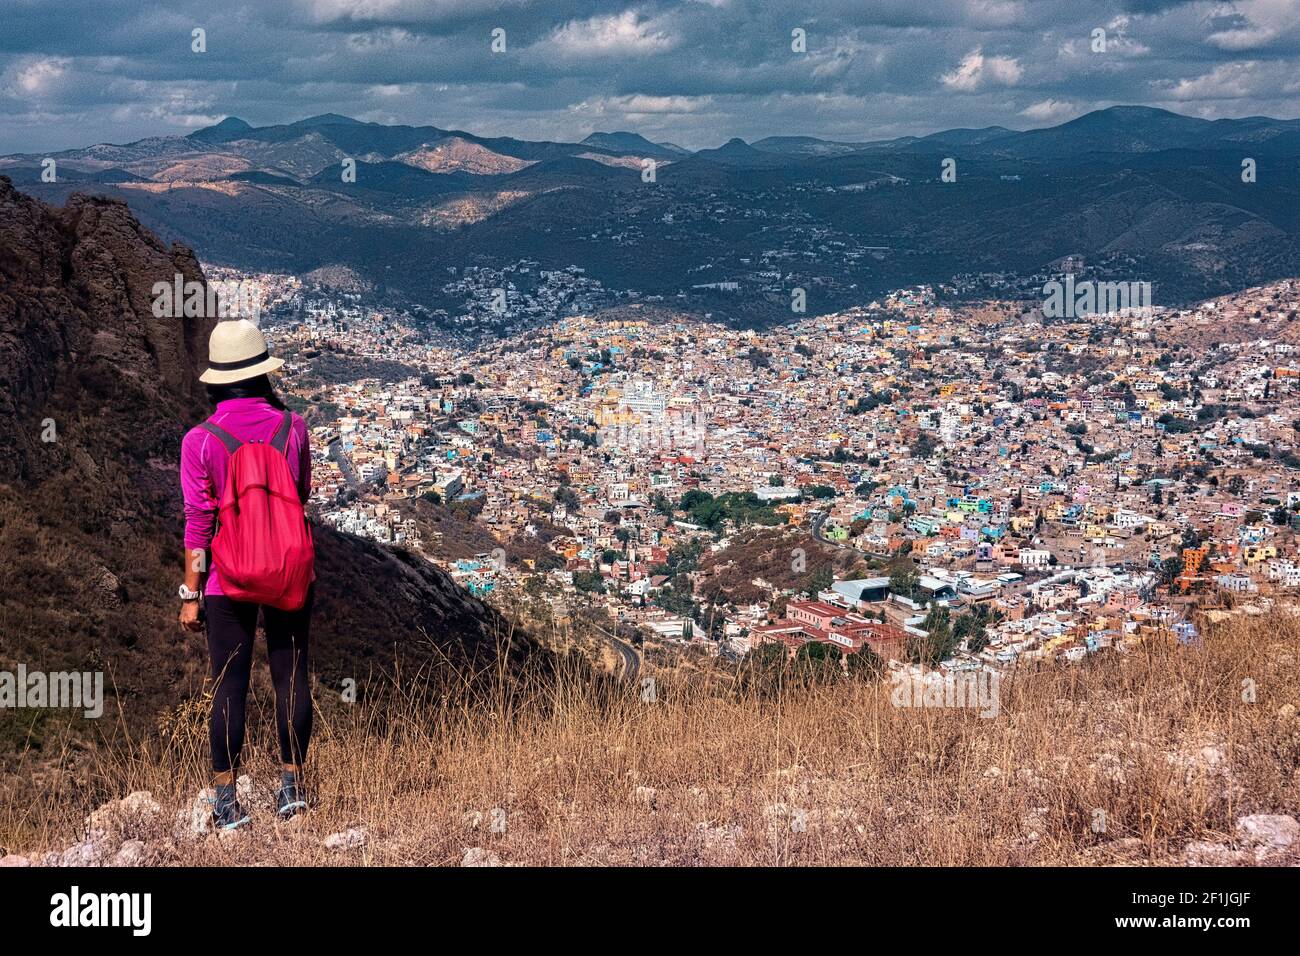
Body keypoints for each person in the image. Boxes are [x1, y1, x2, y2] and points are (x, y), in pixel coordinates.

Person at [178, 318, 314, 830]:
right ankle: (291, 790)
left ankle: (227, 802)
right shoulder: (292, 426)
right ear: (262, 373)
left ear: (217, 378)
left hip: (226, 579)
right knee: (291, 675)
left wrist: (191, 593)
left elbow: (198, 523)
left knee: (228, 684)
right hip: (288, 570)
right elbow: (299, 494)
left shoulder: (200, 439)